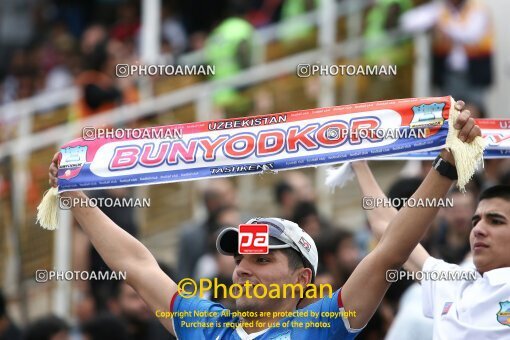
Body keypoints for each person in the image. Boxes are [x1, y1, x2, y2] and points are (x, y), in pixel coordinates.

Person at [48, 101, 480, 339]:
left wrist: (445, 167)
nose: (241, 269)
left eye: (261, 260)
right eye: (241, 260)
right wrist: (75, 197)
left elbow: (392, 248)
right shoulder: (207, 325)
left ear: (300, 280)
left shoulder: (322, 326)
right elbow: (138, 266)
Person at [351, 161, 510, 339]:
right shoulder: (454, 282)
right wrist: (358, 163)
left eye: (496, 221)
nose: (478, 230)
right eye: (475, 221)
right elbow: (389, 232)